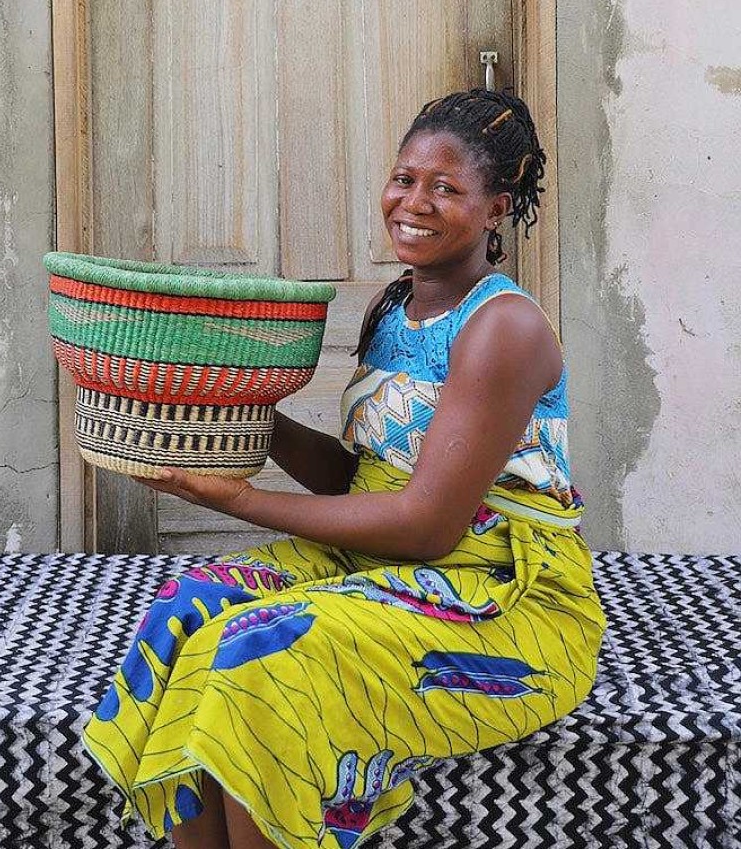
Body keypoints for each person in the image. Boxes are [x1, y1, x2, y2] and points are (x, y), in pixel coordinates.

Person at [82, 89, 607, 849]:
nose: (413, 201)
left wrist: (239, 498)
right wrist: (226, 417)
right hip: (377, 557)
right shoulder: (391, 308)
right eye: (404, 177)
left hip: (500, 592)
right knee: (189, 602)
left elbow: (426, 524)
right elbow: (353, 480)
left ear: (495, 208)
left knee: (261, 649)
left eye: (445, 187)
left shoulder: (503, 327)